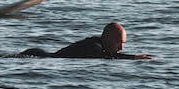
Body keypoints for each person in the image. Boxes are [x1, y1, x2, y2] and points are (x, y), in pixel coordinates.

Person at [19, 23, 151, 59]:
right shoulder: (93, 46)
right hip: (38, 56)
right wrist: (133, 57)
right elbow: (107, 57)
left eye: (123, 44)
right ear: (108, 38)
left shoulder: (98, 45)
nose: (121, 48)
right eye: (119, 43)